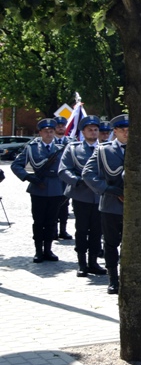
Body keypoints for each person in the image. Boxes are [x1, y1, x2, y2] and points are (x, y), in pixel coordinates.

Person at [82, 114, 129, 294]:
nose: (126, 133)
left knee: (131, 244)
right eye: (122, 130)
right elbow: (88, 174)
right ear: (114, 132)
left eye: (129, 130)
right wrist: (107, 189)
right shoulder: (103, 150)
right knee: (110, 244)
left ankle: (129, 276)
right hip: (111, 205)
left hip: (135, 206)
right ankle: (113, 279)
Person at [58, 115, 107, 278]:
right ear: (83, 132)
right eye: (89, 130)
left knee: (97, 231)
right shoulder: (73, 148)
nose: (93, 132)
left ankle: (93, 262)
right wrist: (77, 181)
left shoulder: (106, 148)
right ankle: (82, 263)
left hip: (100, 196)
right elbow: (64, 170)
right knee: (81, 229)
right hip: (82, 195)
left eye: (95, 129)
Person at [12, 119, 66, 263]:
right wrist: (29, 178)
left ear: (54, 132)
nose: (49, 134)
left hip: (56, 188)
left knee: (52, 221)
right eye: (46, 131)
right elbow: (16, 165)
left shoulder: (62, 148)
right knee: (38, 221)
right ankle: (38, 251)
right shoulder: (32, 147)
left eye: (51, 131)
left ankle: (48, 250)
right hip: (38, 189)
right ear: (40, 132)